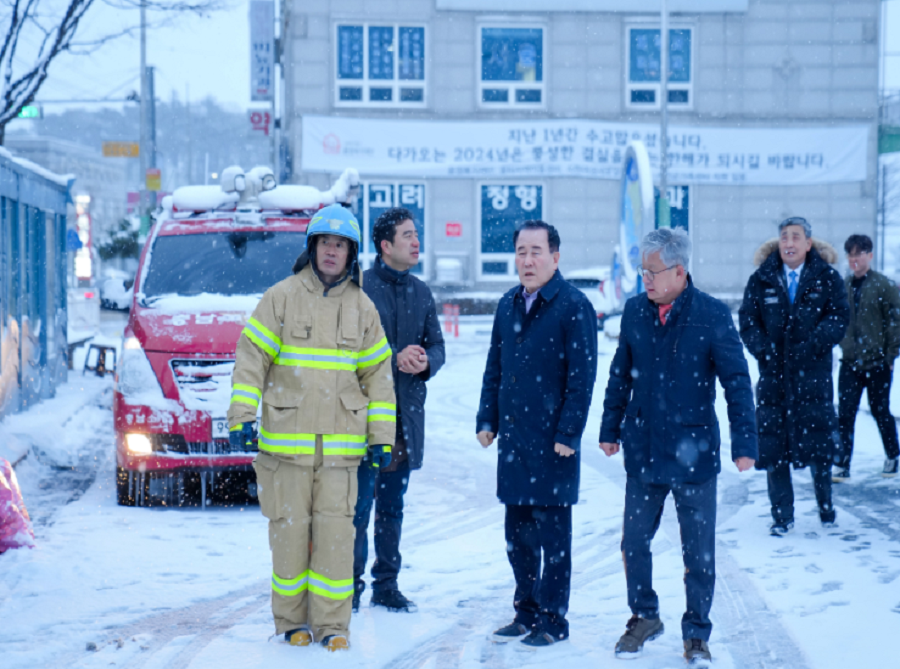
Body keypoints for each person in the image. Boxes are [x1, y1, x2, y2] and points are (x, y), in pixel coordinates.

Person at [228, 203, 396, 652]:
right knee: (288, 534)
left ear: (351, 254)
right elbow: (251, 359)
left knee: (337, 539)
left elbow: (379, 377)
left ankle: (333, 626)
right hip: (285, 449)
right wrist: (242, 416)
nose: (331, 252)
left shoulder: (364, 308)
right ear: (312, 247)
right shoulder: (280, 297)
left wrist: (381, 438)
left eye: (340, 245)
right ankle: (291, 621)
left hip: (341, 454)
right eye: (325, 243)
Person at [599, 227, 758, 666]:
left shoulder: (710, 314)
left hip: (695, 453)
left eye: (652, 271)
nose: (645, 280)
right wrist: (610, 427)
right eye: (642, 272)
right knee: (634, 542)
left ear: (679, 271)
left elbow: (737, 382)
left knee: (698, 552)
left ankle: (696, 634)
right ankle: (645, 616)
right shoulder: (635, 312)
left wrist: (745, 441)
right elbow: (619, 375)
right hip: (644, 449)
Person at [476, 220, 598, 648]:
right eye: (521, 251)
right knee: (518, 539)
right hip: (514, 441)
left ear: (555, 257)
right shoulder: (507, 303)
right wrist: (486, 418)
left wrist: (569, 431)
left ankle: (553, 620)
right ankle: (525, 611)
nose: (527, 260)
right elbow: (495, 367)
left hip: (553, 445)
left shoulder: (572, 305)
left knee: (553, 541)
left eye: (536, 251)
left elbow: (582, 379)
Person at [353, 207, 445, 613]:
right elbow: (348, 351)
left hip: (405, 420)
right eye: (407, 235)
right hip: (362, 419)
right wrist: (393, 358)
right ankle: (349, 587)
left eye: (416, 234)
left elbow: (438, 346)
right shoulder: (358, 289)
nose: (415, 241)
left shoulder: (421, 291)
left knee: (392, 508)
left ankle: (386, 585)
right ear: (385, 245)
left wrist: (425, 360)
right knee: (357, 509)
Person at [739, 217, 849, 536]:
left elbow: (839, 316)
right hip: (773, 377)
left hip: (813, 375)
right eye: (784, 237)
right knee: (775, 447)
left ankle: (825, 503)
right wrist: (764, 350)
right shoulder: (761, 280)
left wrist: (814, 344)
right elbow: (748, 321)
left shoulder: (826, 278)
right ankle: (782, 516)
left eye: (796, 237)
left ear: (808, 244)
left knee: (818, 441)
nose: (789, 243)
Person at [835, 234, 900, 480]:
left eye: (858, 254)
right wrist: (842, 343)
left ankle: (892, 456)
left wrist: (891, 356)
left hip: (878, 362)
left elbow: (896, 322)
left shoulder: (883, 285)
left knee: (880, 410)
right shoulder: (845, 286)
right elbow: (838, 319)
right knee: (845, 414)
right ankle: (842, 463)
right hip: (850, 362)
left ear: (869, 256)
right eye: (850, 254)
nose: (854, 259)